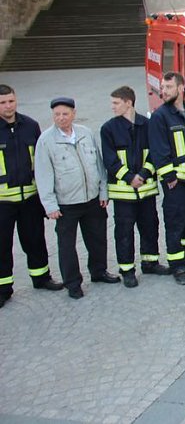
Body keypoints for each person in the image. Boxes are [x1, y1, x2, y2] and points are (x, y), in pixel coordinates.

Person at [35, 97, 118, 299]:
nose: (61, 118)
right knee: (67, 246)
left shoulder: (85, 133)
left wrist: (103, 191)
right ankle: (73, 283)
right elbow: (43, 174)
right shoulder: (46, 140)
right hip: (66, 204)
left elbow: (98, 165)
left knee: (97, 239)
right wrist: (50, 205)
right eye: (57, 115)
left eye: (65, 114)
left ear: (73, 113)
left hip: (92, 199)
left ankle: (99, 272)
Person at [0, 85, 63, 308]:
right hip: (3, 201)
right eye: (3, 102)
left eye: (11, 101)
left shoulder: (30, 126)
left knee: (35, 240)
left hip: (30, 197)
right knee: (2, 246)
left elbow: (42, 160)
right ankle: (3, 288)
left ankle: (41, 277)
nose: (8, 106)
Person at [101, 86, 170, 288]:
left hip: (146, 190)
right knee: (124, 232)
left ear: (129, 102)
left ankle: (150, 262)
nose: (112, 107)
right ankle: (127, 270)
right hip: (124, 193)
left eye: (116, 103)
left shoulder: (147, 125)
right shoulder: (108, 128)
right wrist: (130, 177)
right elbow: (110, 160)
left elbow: (155, 153)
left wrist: (144, 174)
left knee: (150, 227)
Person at [149, 71, 185, 286]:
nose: (164, 92)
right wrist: (169, 176)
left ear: (181, 88)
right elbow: (158, 149)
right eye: (163, 88)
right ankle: (177, 264)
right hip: (176, 181)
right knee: (175, 221)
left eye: (169, 88)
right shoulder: (159, 116)